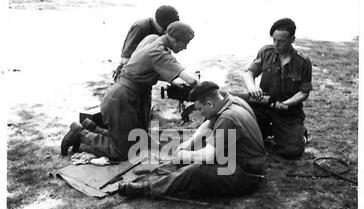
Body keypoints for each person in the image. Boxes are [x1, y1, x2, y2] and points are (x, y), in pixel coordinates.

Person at [61, 21, 198, 160]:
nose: (185, 48)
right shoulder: (159, 53)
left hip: (132, 94)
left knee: (139, 139)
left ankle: (92, 128)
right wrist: (202, 87)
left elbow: (147, 67)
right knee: (122, 152)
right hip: (123, 98)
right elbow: (191, 80)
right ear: (174, 40)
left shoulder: (152, 39)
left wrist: (173, 80)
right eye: (185, 43)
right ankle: (81, 135)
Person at [118, 81, 266, 198]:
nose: (201, 114)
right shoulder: (230, 101)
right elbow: (209, 122)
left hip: (246, 176)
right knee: (196, 146)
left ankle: (148, 188)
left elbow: (208, 156)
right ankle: (159, 173)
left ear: (209, 103)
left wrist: (184, 154)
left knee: (196, 170)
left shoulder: (228, 118)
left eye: (201, 109)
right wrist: (188, 144)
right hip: (239, 160)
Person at [242, 18, 312, 159]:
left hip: (288, 112)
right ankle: (269, 130)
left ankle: (299, 133)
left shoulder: (303, 62)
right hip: (263, 106)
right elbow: (249, 73)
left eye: (281, 41)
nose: (276, 44)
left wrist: (287, 103)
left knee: (291, 152)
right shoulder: (265, 52)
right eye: (274, 39)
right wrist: (252, 87)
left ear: (292, 39)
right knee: (243, 135)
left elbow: (304, 92)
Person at [112, 5, 179, 81]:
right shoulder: (140, 27)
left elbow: (163, 59)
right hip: (127, 77)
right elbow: (126, 59)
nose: (165, 33)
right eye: (165, 29)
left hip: (144, 78)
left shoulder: (162, 33)